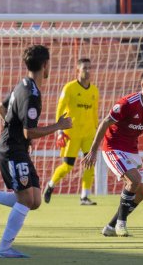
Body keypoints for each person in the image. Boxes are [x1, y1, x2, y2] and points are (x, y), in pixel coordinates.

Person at [0, 45, 72, 258]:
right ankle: (3, 248)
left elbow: (1, 109)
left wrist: (15, 130)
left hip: (18, 149)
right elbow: (29, 131)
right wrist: (58, 126)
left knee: (35, 201)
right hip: (12, 151)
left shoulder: (22, 84)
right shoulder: (32, 94)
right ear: (45, 65)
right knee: (25, 200)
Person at [82, 70, 143, 237]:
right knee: (134, 180)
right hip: (113, 147)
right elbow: (105, 123)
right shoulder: (127, 103)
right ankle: (122, 224)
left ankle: (111, 226)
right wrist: (93, 150)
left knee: (141, 193)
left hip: (132, 150)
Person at [43, 58, 99, 206]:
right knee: (68, 166)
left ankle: (85, 196)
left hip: (88, 133)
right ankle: (50, 185)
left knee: (90, 163)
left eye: (89, 68)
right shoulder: (69, 88)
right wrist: (59, 131)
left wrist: (97, 132)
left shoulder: (94, 91)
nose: (87, 71)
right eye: (84, 68)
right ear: (77, 70)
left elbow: (95, 113)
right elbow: (60, 109)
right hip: (71, 133)